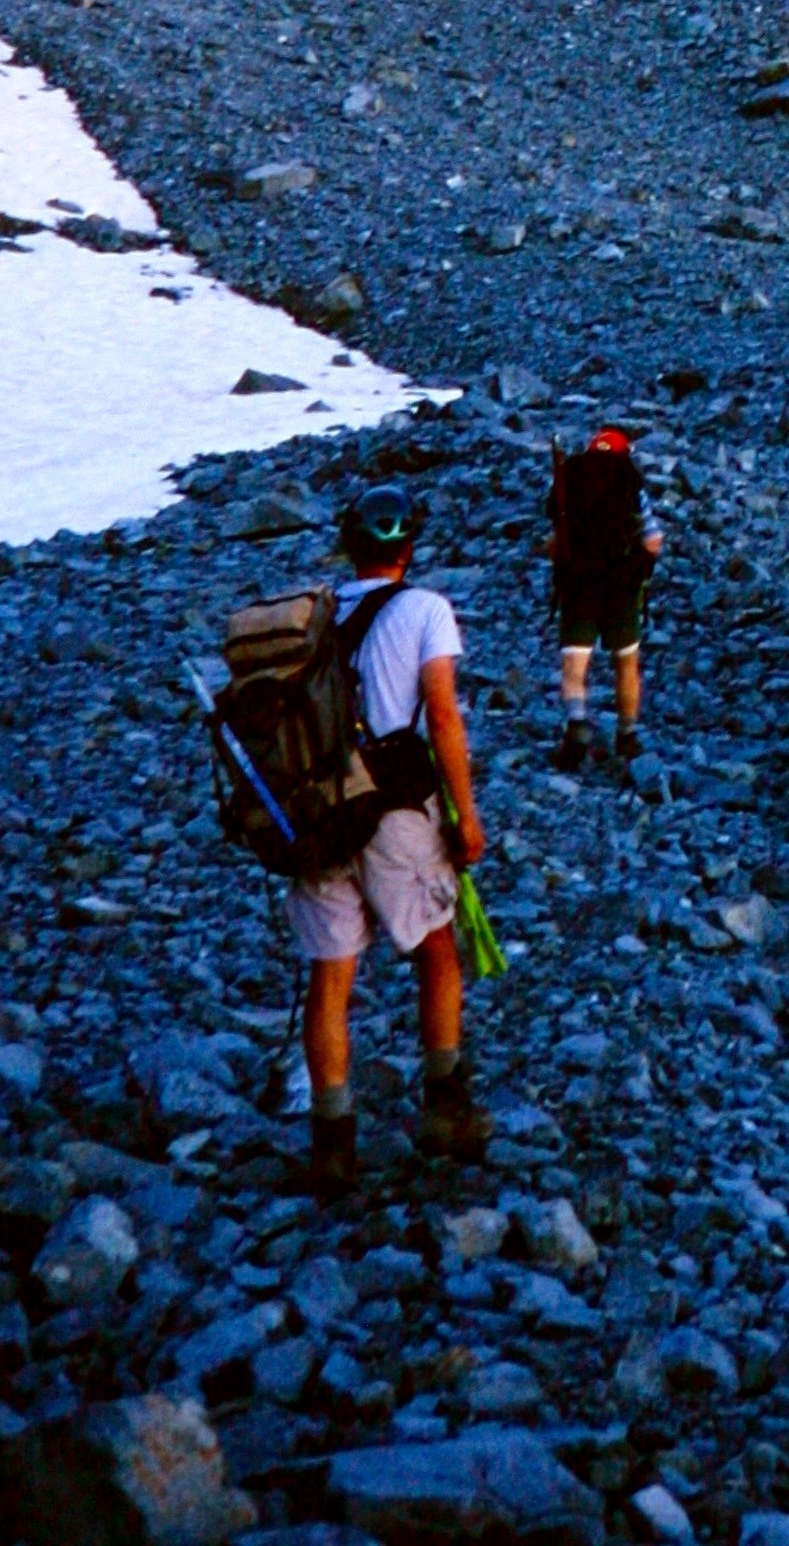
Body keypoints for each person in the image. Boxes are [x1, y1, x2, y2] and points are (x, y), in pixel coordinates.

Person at [288, 485, 489, 1198]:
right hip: (393, 808)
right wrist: (465, 815)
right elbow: (442, 715)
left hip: (313, 813)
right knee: (436, 950)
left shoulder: (312, 617)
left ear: (349, 546)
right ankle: (446, 1111)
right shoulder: (426, 609)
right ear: (409, 548)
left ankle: (333, 1145)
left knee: (330, 978)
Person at [550, 425, 662, 772]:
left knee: (574, 665)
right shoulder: (630, 484)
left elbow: (557, 536)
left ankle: (577, 722)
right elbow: (653, 538)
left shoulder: (569, 479)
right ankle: (627, 734)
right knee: (626, 663)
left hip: (578, 583)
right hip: (621, 583)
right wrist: (641, 569)